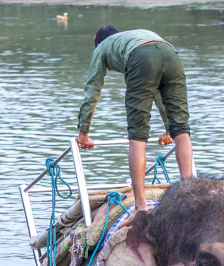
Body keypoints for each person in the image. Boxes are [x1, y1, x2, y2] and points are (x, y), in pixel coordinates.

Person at [75, 25, 194, 214]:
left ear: (97, 40)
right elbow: (156, 88)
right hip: (170, 53)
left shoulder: (102, 47)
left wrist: (83, 133)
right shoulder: (130, 37)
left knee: (137, 135)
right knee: (181, 129)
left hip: (142, 58)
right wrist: (169, 129)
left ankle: (140, 207)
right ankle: (189, 197)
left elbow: (92, 91)